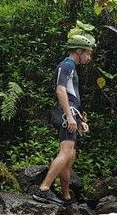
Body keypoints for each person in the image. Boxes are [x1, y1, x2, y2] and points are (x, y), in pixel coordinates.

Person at [32, 32, 96, 205]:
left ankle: (66, 195)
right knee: (66, 152)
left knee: (71, 155)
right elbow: (60, 90)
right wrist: (69, 116)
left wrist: (79, 120)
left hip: (71, 113)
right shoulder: (66, 65)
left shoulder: (72, 67)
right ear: (78, 51)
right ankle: (43, 189)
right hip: (65, 114)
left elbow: (71, 95)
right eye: (88, 53)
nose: (89, 57)